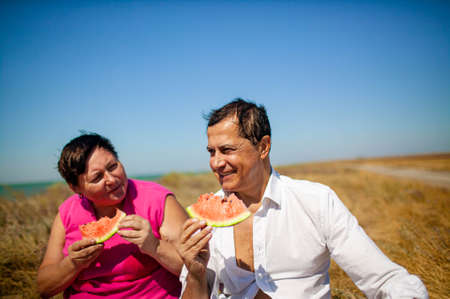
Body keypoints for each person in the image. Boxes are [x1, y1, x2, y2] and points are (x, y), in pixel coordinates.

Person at [177, 99, 428, 299]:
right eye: (211, 152)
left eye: (227, 150)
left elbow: (383, 280)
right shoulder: (205, 220)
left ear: (263, 147)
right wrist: (196, 274)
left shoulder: (316, 201)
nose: (216, 163)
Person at [37, 133, 188, 298]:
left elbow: (198, 268)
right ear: (75, 188)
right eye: (97, 178)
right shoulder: (67, 212)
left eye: (112, 166)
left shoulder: (156, 200)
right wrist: (72, 264)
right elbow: (44, 288)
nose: (111, 179)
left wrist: (154, 246)